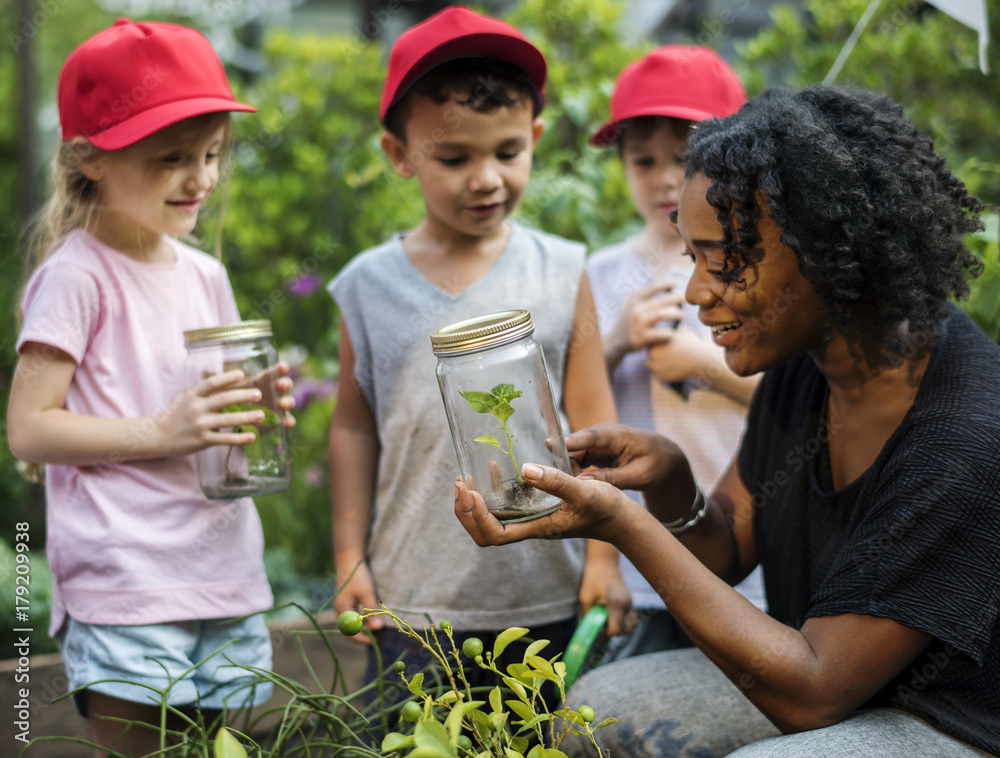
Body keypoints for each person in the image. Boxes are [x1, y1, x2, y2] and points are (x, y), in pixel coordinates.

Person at [456, 84, 1000, 757]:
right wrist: (669, 483)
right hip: (844, 685)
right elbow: (727, 548)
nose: (696, 292)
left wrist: (620, 523)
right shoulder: (809, 366)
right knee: (596, 714)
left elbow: (812, 692)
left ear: (831, 250)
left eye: (726, 258)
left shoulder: (964, 434)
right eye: (694, 257)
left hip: (950, 722)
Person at [6, 19, 295, 758]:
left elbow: (213, 416)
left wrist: (256, 407)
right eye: (172, 159)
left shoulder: (207, 274)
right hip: (129, 582)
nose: (200, 178)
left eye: (209, 156)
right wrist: (162, 432)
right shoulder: (76, 276)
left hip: (220, 571)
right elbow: (30, 429)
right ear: (88, 159)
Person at [327, 5, 630, 698]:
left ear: (537, 138)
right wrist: (350, 557)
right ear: (399, 154)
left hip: (547, 594)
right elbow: (350, 428)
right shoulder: (368, 286)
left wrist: (604, 562)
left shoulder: (561, 269)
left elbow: (594, 420)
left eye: (507, 152)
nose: (486, 178)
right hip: (412, 603)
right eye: (454, 157)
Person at [586, 45, 766, 660]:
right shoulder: (599, 274)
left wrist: (701, 368)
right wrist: (616, 343)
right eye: (643, 161)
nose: (664, 177)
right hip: (642, 562)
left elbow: (795, 397)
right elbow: (569, 396)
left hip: (746, 546)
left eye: (684, 161)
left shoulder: (756, 271)